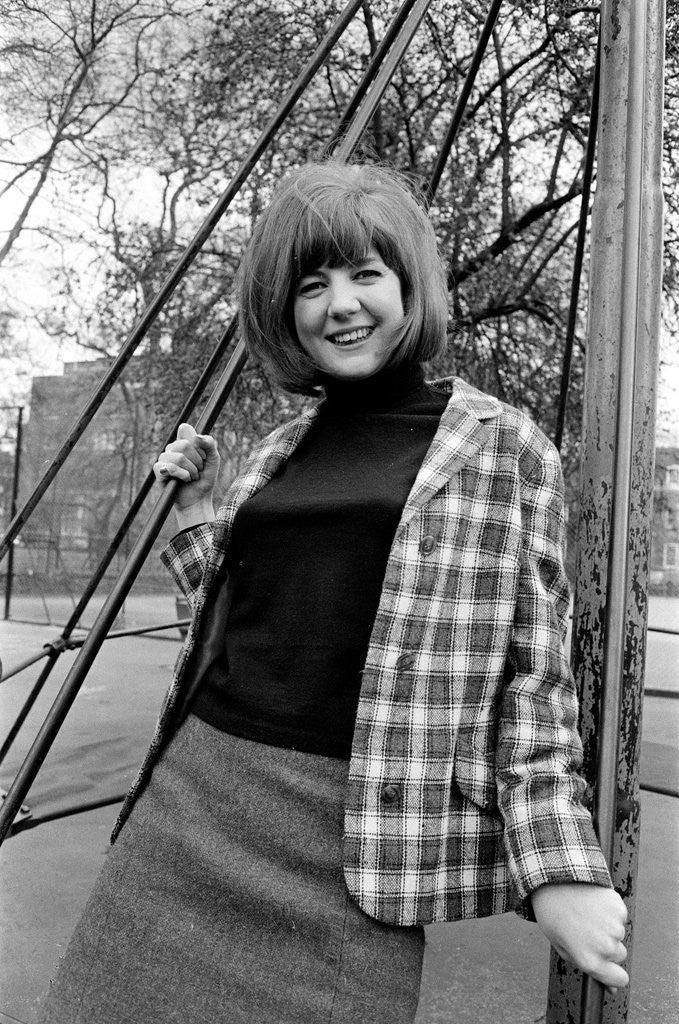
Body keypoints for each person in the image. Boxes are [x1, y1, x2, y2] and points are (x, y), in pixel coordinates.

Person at [39, 162, 628, 1024]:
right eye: (311, 285)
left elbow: (534, 684)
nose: (340, 304)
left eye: (364, 274)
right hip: (195, 807)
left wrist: (557, 866)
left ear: (407, 285)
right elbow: (240, 629)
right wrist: (200, 515)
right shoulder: (279, 449)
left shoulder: (501, 447)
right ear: (286, 311)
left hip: (358, 843)